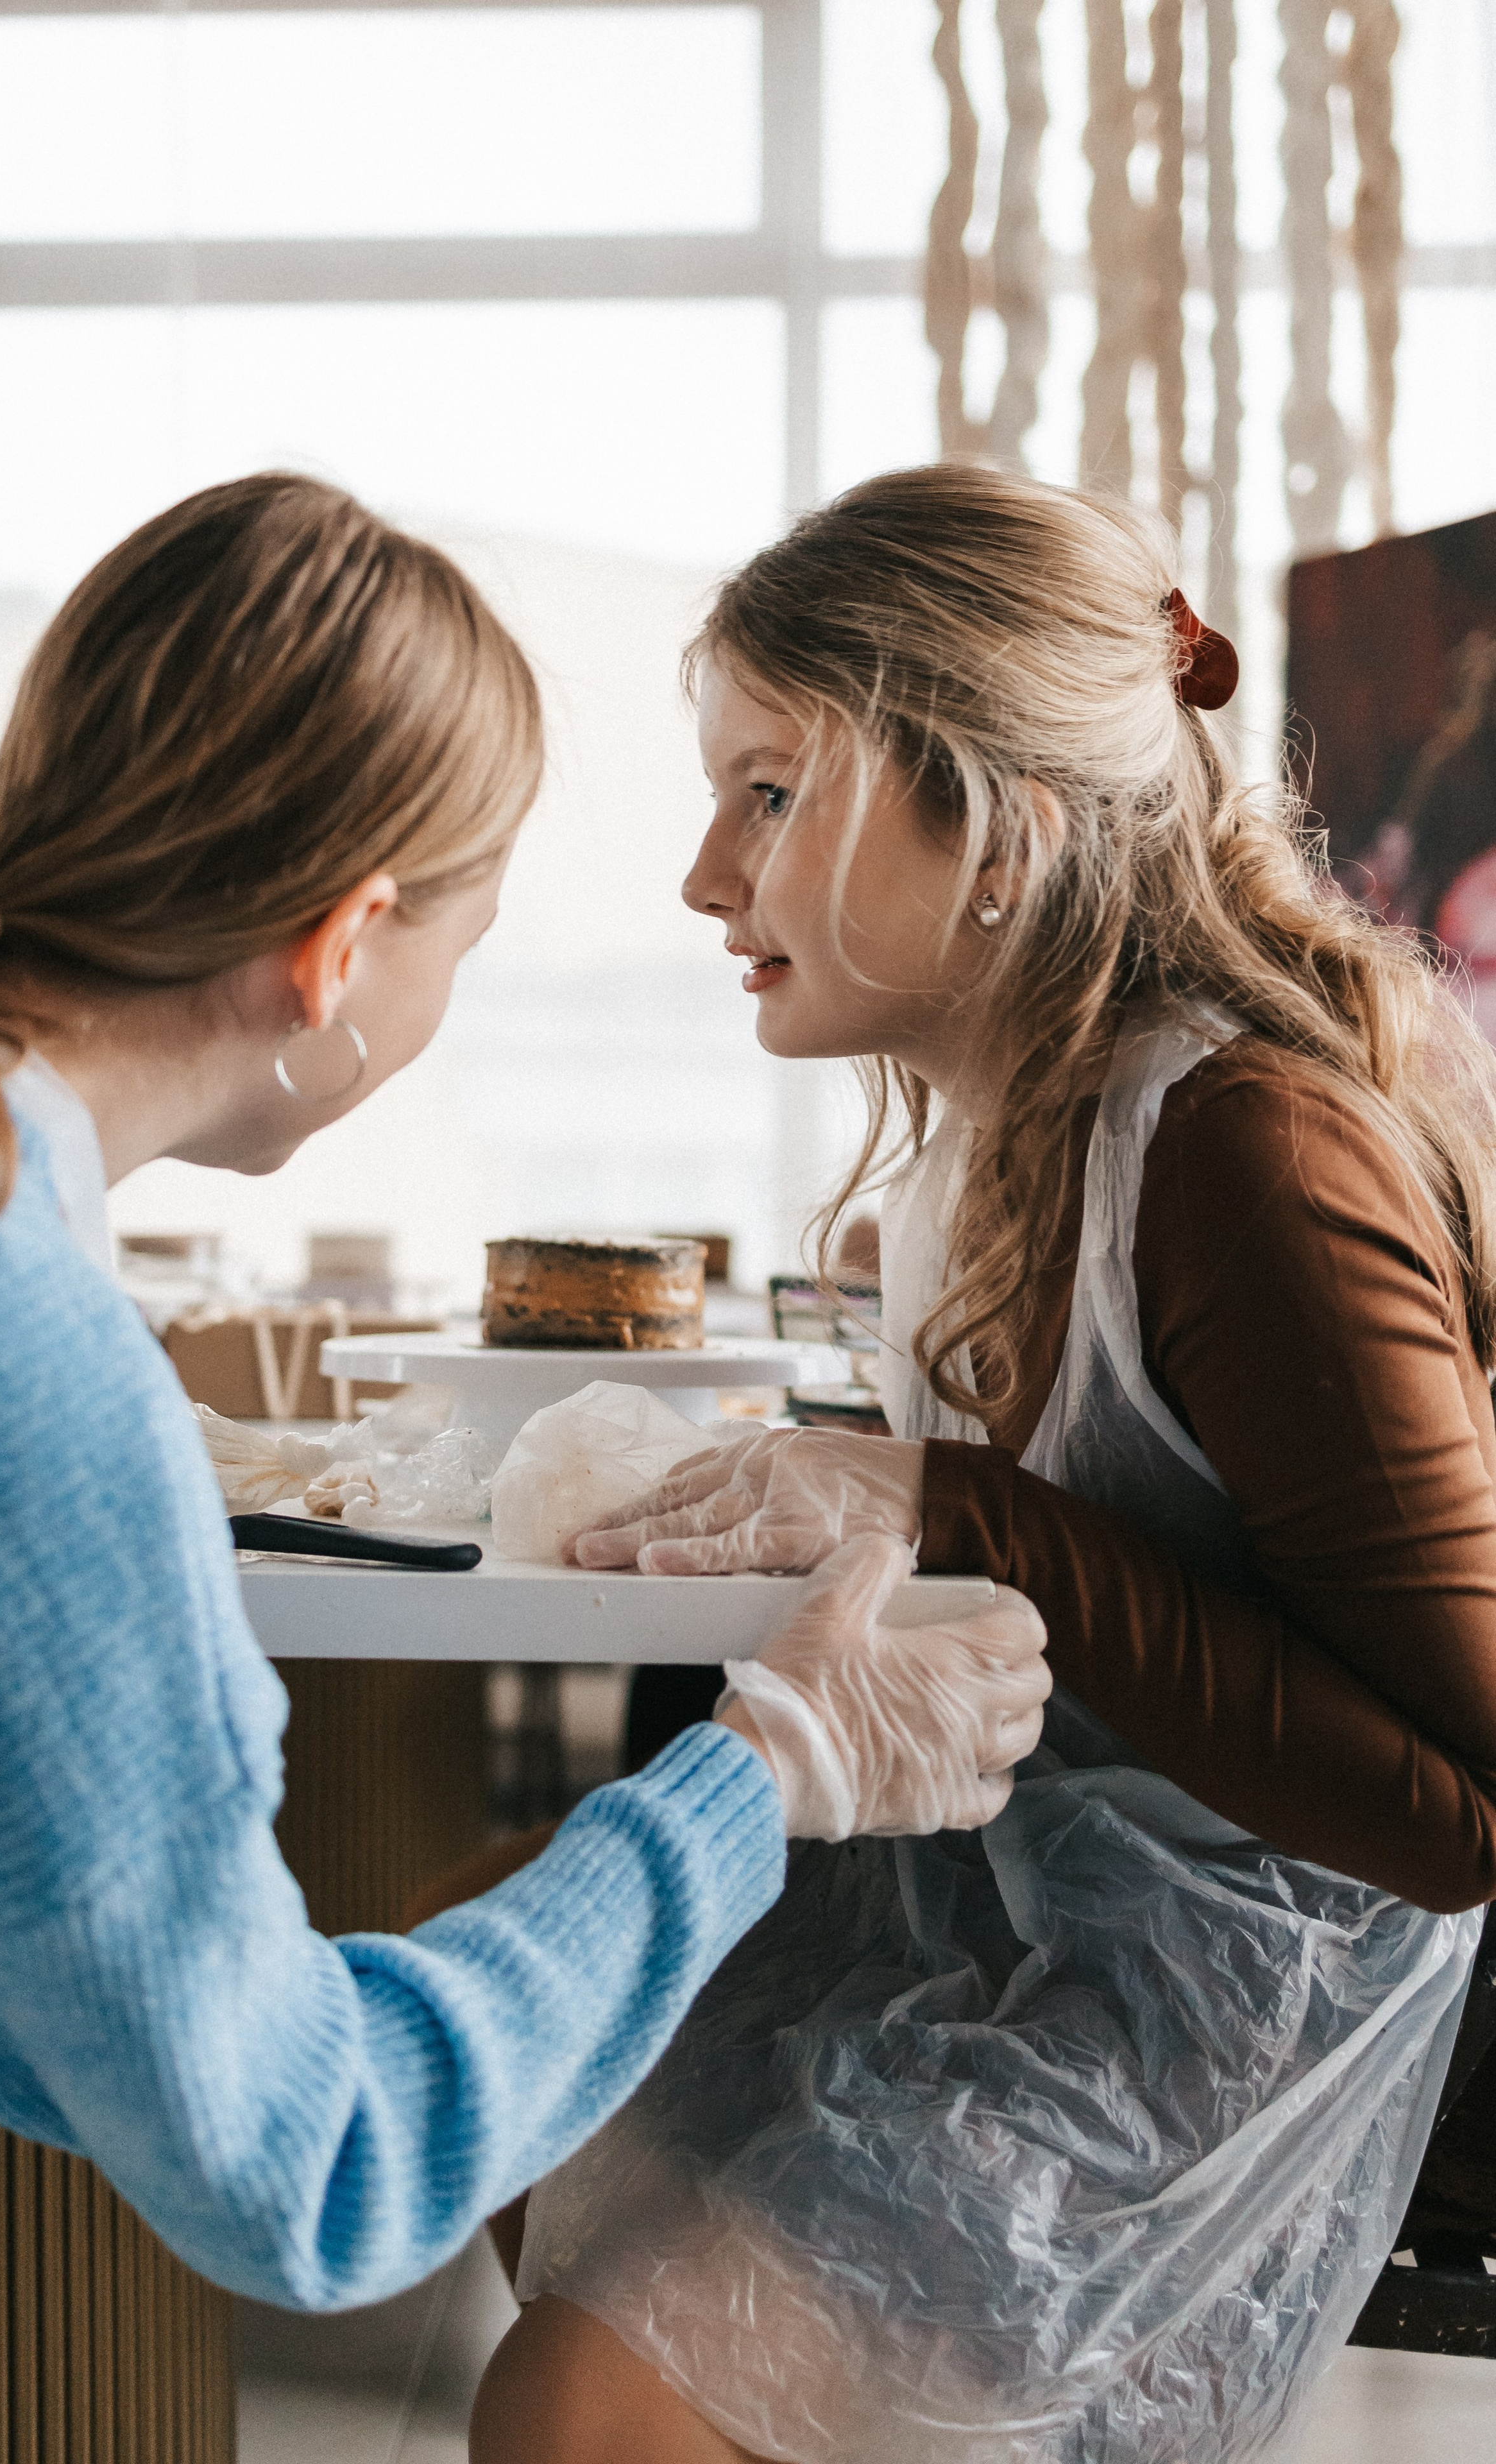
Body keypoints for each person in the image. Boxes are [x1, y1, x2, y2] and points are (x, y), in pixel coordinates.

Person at [0, 472, 1052, 2311]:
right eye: (461, 950)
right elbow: (317, 2164)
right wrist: (775, 1762)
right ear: (340, 949)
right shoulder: (4, 1340)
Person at [470, 465, 1496, 2464]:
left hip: (1239, 1992)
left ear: (995, 827)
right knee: (504, 1981)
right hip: (1019, 1892)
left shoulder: (1242, 1154)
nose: (704, 875)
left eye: (770, 792)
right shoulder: (996, 1126)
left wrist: (955, 1510)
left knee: (577, 2407)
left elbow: (1467, 1810)